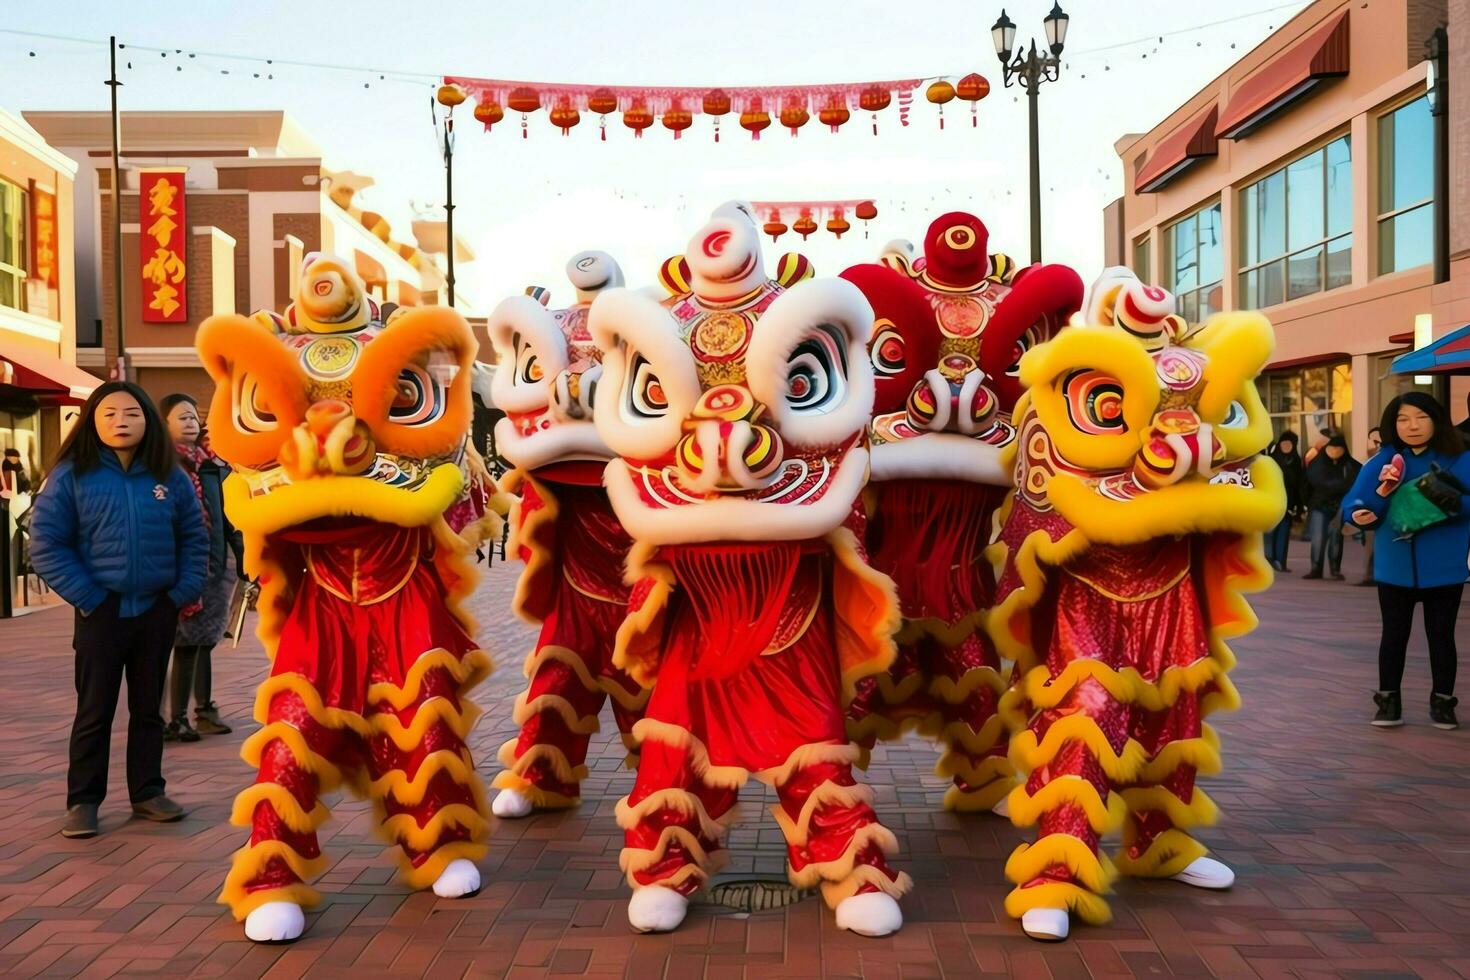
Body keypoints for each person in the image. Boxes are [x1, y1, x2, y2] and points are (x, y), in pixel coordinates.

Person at [28, 381, 209, 838]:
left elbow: (194, 537)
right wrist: (88, 596)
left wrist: (179, 594)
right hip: (100, 612)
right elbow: (47, 544)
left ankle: (148, 792)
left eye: (131, 413)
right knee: (95, 710)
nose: (120, 421)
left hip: (156, 610)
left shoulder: (169, 476)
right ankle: (83, 801)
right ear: (92, 420)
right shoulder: (73, 473)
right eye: (108, 414)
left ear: (148, 420)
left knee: (148, 709)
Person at [1344, 392, 1470, 730]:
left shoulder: (1460, 458)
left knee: (1441, 636)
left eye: (1421, 417)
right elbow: (1354, 501)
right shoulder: (1384, 460)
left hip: (1444, 569)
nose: (1412, 426)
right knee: (1393, 635)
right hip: (1394, 568)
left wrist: (1442, 499)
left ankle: (1443, 703)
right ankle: (1388, 702)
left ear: (1436, 420)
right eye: (1403, 419)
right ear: (1393, 424)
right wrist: (1360, 512)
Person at [159, 394, 243, 742]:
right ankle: (174, 718)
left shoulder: (210, 465)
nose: (190, 422)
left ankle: (203, 710)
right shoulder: (160, 467)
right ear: (163, 424)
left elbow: (226, 514)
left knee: (204, 639)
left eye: (193, 416)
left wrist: (242, 557)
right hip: (178, 565)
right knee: (181, 642)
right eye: (181, 417)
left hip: (212, 563)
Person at [1302, 433, 1359, 580]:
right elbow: (1313, 481)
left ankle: (1335, 569)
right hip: (1319, 505)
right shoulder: (1318, 463)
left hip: (1339, 505)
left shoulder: (1350, 465)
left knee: (1336, 537)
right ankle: (1316, 568)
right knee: (1318, 537)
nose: (1335, 451)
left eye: (1338, 448)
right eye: (1332, 448)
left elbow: (1356, 481)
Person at [1265, 431, 1304, 571]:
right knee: (1269, 533)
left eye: (1290, 444)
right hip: (1271, 502)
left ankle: (1280, 562)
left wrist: (1299, 507)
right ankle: (1268, 560)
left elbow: (1300, 485)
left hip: (1288, 504)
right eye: (1284, 443)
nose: (1286, 446)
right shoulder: (1271, 460)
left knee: (1283, 533)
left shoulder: (1296, 461)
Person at [1352, 427, 1382, 586]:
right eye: (1372, 440)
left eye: (1377, 441)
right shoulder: (1370, 460)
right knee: (1369, 542)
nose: (1374, 444)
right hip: (1369, 506)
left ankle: (1376, 575)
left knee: (1377, 543)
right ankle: (1369, 575)